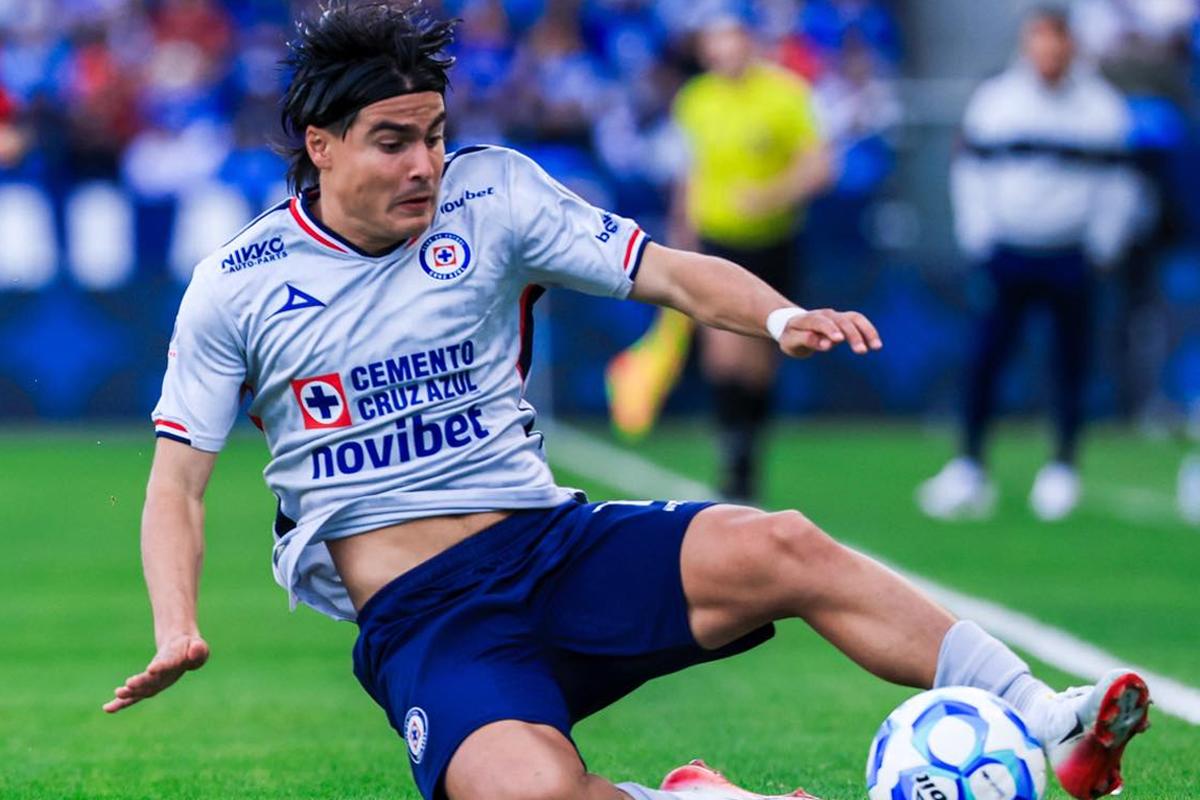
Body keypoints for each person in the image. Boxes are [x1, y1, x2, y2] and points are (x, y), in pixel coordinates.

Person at [104, 5, 1149, 800]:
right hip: (432, 621)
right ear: (319, 143)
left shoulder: (494, 193)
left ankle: (1047, 720)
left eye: (435, 133)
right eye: (392, 140)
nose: (425, 164)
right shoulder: (237, 285)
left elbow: (670, 271)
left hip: (554, 549)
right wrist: (175, 624)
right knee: (535, 792)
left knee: (782, 542)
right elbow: (176, 487)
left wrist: (780, 317)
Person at [918, 6, 1143, 522]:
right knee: (985, 360)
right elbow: (970, 172)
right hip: (1009, 253)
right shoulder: (997, 101)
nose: (1048, 54)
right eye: (1039, 43)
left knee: (1070, 363)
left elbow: (1119, 183)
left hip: (1070, 256)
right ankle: (970, 465)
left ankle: (1063, 466)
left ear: (1071, 47)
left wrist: (1103, 246)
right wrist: (979, 237)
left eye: (1056, 44)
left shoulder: (1101, 107)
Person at [605, 13, 830, 502]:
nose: (723, 52)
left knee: (763, 357)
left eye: (731, 41)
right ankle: (733, 455)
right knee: (724, 352)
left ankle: (748, 451)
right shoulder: (696, 100)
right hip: (718, 241)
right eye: (714, 44)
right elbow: (690, 175)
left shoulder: (786, 94)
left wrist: (771, 196)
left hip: (774, 243)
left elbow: (819, 166)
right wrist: (680, 239)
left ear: (748, 43)